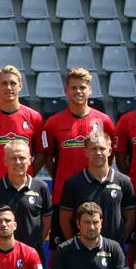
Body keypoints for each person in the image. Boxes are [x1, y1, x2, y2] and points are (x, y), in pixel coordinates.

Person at [39, 68, 114, 215]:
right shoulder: (53, 123)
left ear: (90, 90)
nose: (78, 91)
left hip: (96, 192)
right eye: (74, 87)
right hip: (64, 193)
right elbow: (47, 157)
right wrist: (60, 176)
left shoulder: (103, 120)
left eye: (82, 87)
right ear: (66, 90)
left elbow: (109, 155)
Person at [57, 131, 136, 245]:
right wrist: (75, 247)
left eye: (102, 149)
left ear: (109, 151)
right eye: (93, 149)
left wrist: (117, 244)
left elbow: (130, 219)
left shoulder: (124, 182)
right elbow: (65, 221)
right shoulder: (73, 183)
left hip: (113, 254)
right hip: (83, 252)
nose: (98, 153)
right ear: (86, 152)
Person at [0, 141, 52, 251]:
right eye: (13, 158)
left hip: (33, 254)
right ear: (5, 161)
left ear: (29, 160)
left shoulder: (41, 187)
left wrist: (35, 244)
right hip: (0, 254)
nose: (18, 162)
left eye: (22, 158)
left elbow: (46, 222)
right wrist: (0, 246)